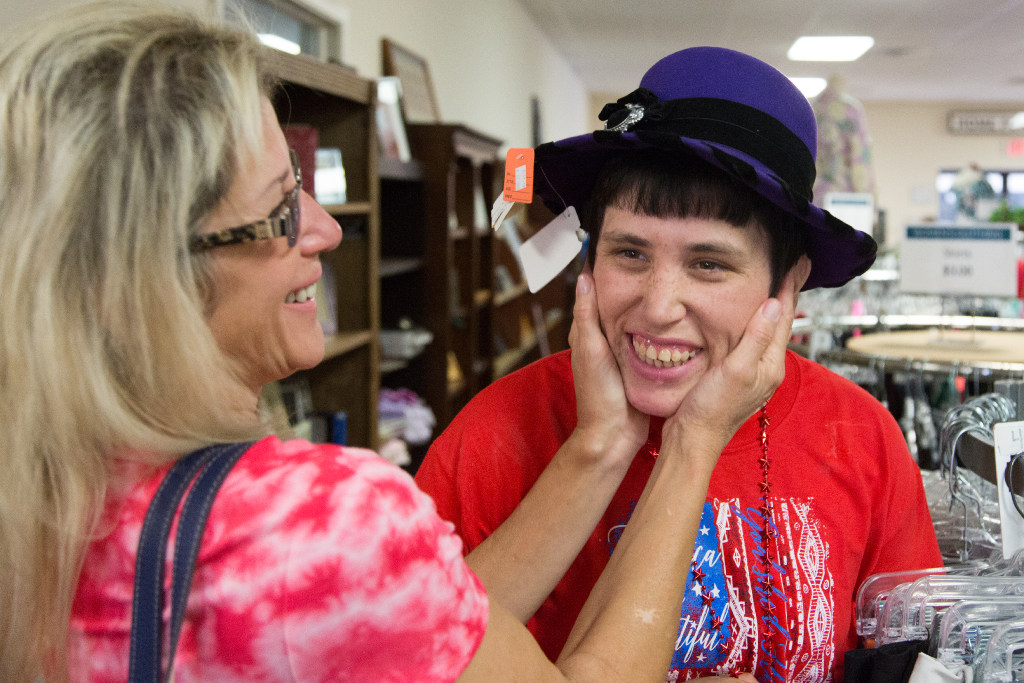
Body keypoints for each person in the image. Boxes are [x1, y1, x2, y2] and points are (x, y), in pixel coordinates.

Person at [0, 4, 786, 682]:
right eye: (281, 209)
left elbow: (411, 632)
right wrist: (692, 443)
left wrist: (602, 441)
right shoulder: (318, 521)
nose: (328, 228)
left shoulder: (43, 488)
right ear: (146, 272)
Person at [415, 47, 944, 682]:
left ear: (789, 284)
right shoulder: (494, 432)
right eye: (629, 253)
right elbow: (407, 660)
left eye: (708, 264)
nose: (658, 307)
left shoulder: (861, 437)